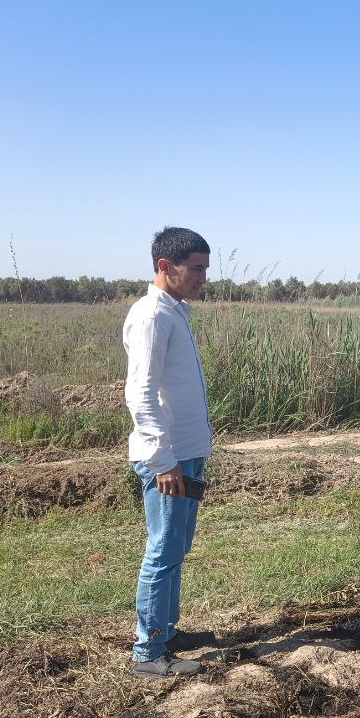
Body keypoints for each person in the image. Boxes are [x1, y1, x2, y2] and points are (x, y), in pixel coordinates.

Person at [124, 226, 214, 679]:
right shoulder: (151, 316)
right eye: (195, 269)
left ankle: (167, 631)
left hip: (185, 454)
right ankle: (148, 651)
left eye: (205, 269)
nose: (203, 278)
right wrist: (163, 461)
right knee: (162, 549)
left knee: (177, 546)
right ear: (165, 266)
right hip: (168, 459)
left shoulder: (173, 312)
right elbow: (140, 395)